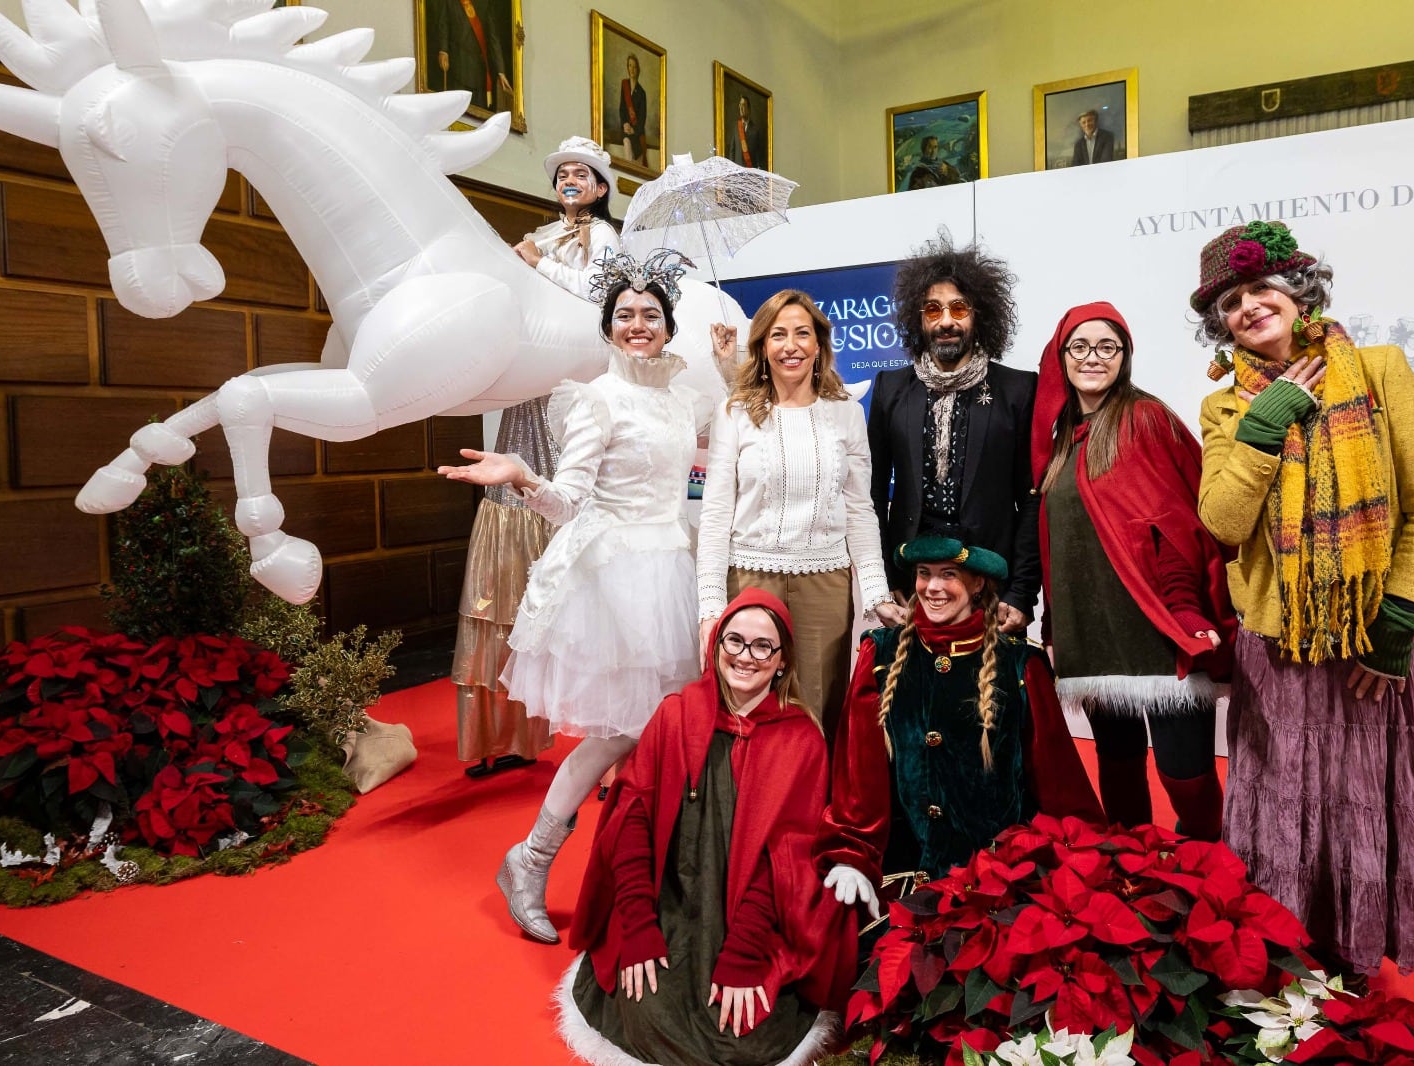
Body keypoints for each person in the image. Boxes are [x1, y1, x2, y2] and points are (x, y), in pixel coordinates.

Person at [1191, 220, 1414, 979]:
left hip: (1387, 640)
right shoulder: (1224, 409)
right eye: (1230, 302)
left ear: (1297, 290)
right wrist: (1266, 420)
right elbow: (1222, 521)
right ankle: (1292, 951)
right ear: (1218, 324)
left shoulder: (1381, 370)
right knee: (1295, 801)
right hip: (1284, 647)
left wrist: (1396, 629)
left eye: (1260, 289)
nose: (1249, 308)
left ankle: (1363, 958)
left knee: (1370, 798)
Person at [439, 250, 717, 944]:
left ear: (668, 324)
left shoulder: (685, 398)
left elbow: (725, 452)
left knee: (669, 735)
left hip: (670, 569)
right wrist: (525, 478)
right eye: (624, 315)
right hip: (616, 581)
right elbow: (569, 502)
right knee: (617, 733)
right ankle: (529, 859)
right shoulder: (595, 397)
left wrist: (736, 365)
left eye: (650, 314)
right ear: (608, 326)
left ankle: (641, 879)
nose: (637, 325)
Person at [557, 588, 855, 1066]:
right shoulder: (675, 715)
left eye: (762, 647)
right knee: (651, 1019)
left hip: (751, 926)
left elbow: (789, 863)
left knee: (740, 1041)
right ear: (716, 647)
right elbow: (631, 821)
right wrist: (637, 926)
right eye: (733, 641)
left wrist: (745, 952)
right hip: (667, 908)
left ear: (782, 661)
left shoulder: (801, 740)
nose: (745, 656)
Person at [1031, 302, 1235, 840]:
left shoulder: (1146, 419)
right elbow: (1062, 546)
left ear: (1125, 356)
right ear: (1061, 355)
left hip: (1158, 627)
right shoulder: (1059, 440)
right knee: (1117, 763)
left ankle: (1209, 866)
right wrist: (1055, 627)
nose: (1093, 358)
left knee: (1184, 769)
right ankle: (1132, 873)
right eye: (1080, 346)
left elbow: (1175, 525)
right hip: (1092, 632)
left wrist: (1186, 608)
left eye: (1108, 347)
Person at [814, 536, 1101, 916]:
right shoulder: (880, 653)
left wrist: (1082, 857)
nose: (932, 587)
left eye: (948, 575)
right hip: (906, 874)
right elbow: (858, 776)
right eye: (923, 574)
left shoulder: (1019, 662)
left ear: (977, 584)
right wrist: (852, 855)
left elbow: (1058, 779)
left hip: (999, 880)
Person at [451, 137, 621, 777]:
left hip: (566, 401)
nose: (571, 181)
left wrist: (534, 267)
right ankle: (506, 737)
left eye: (583, 174)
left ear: (602, 188)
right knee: (499, 573)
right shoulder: (544, 234)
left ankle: (592, 732)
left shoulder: (602, 243)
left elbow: (593, 306)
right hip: (525, 400)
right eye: (564, 174)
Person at [701, 290, 904, 746]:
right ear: (762, 348)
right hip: (748, 578)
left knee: (818, 710)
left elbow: (860, 509)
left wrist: (874, 590)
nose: (790, 345)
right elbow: (715, 512)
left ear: (818, 346)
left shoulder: (847, 414)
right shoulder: (734, 413)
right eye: (778, 335)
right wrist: (711, 606)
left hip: (825, 584)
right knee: (747, 708)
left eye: (802, 333)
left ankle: (815, 812)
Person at [869, 234, 1040, 634]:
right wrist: (887, 583)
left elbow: (1032, 500)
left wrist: (1021, 593)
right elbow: (873, 496)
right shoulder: (891, 388)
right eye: (933, 309)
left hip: (991, 584)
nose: (946, 321)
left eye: (958, 308)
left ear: (979, 314)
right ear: (919, 317)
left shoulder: (1018, 390)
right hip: (911, 582)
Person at [427, 0, 512, 111]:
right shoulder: (450, 3)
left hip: (478, 74)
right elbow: (443, 26)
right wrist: (443, 51)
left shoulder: (484, 5)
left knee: (479, 116)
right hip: (458, 68)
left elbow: (493, 39)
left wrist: (500, 71)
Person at [619, 54, 648, 163]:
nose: (632, 69)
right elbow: (622, 108)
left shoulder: (642, 93)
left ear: (638, 69)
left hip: (637, 131)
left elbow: (642, 116)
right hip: (626, 129)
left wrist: (634, 130)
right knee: (626, 141)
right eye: (630, 66)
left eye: (634, 66)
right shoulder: (624, 85)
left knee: (638, 153)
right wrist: (625, 123)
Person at [726, 94, 758, 168]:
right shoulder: (736, 127)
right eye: (740, 105)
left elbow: (757, 156)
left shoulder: (755, 130)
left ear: (749, 108)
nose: (741, 108)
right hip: (737, 173)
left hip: (750, 173)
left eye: (743, 105)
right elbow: (732, 151)